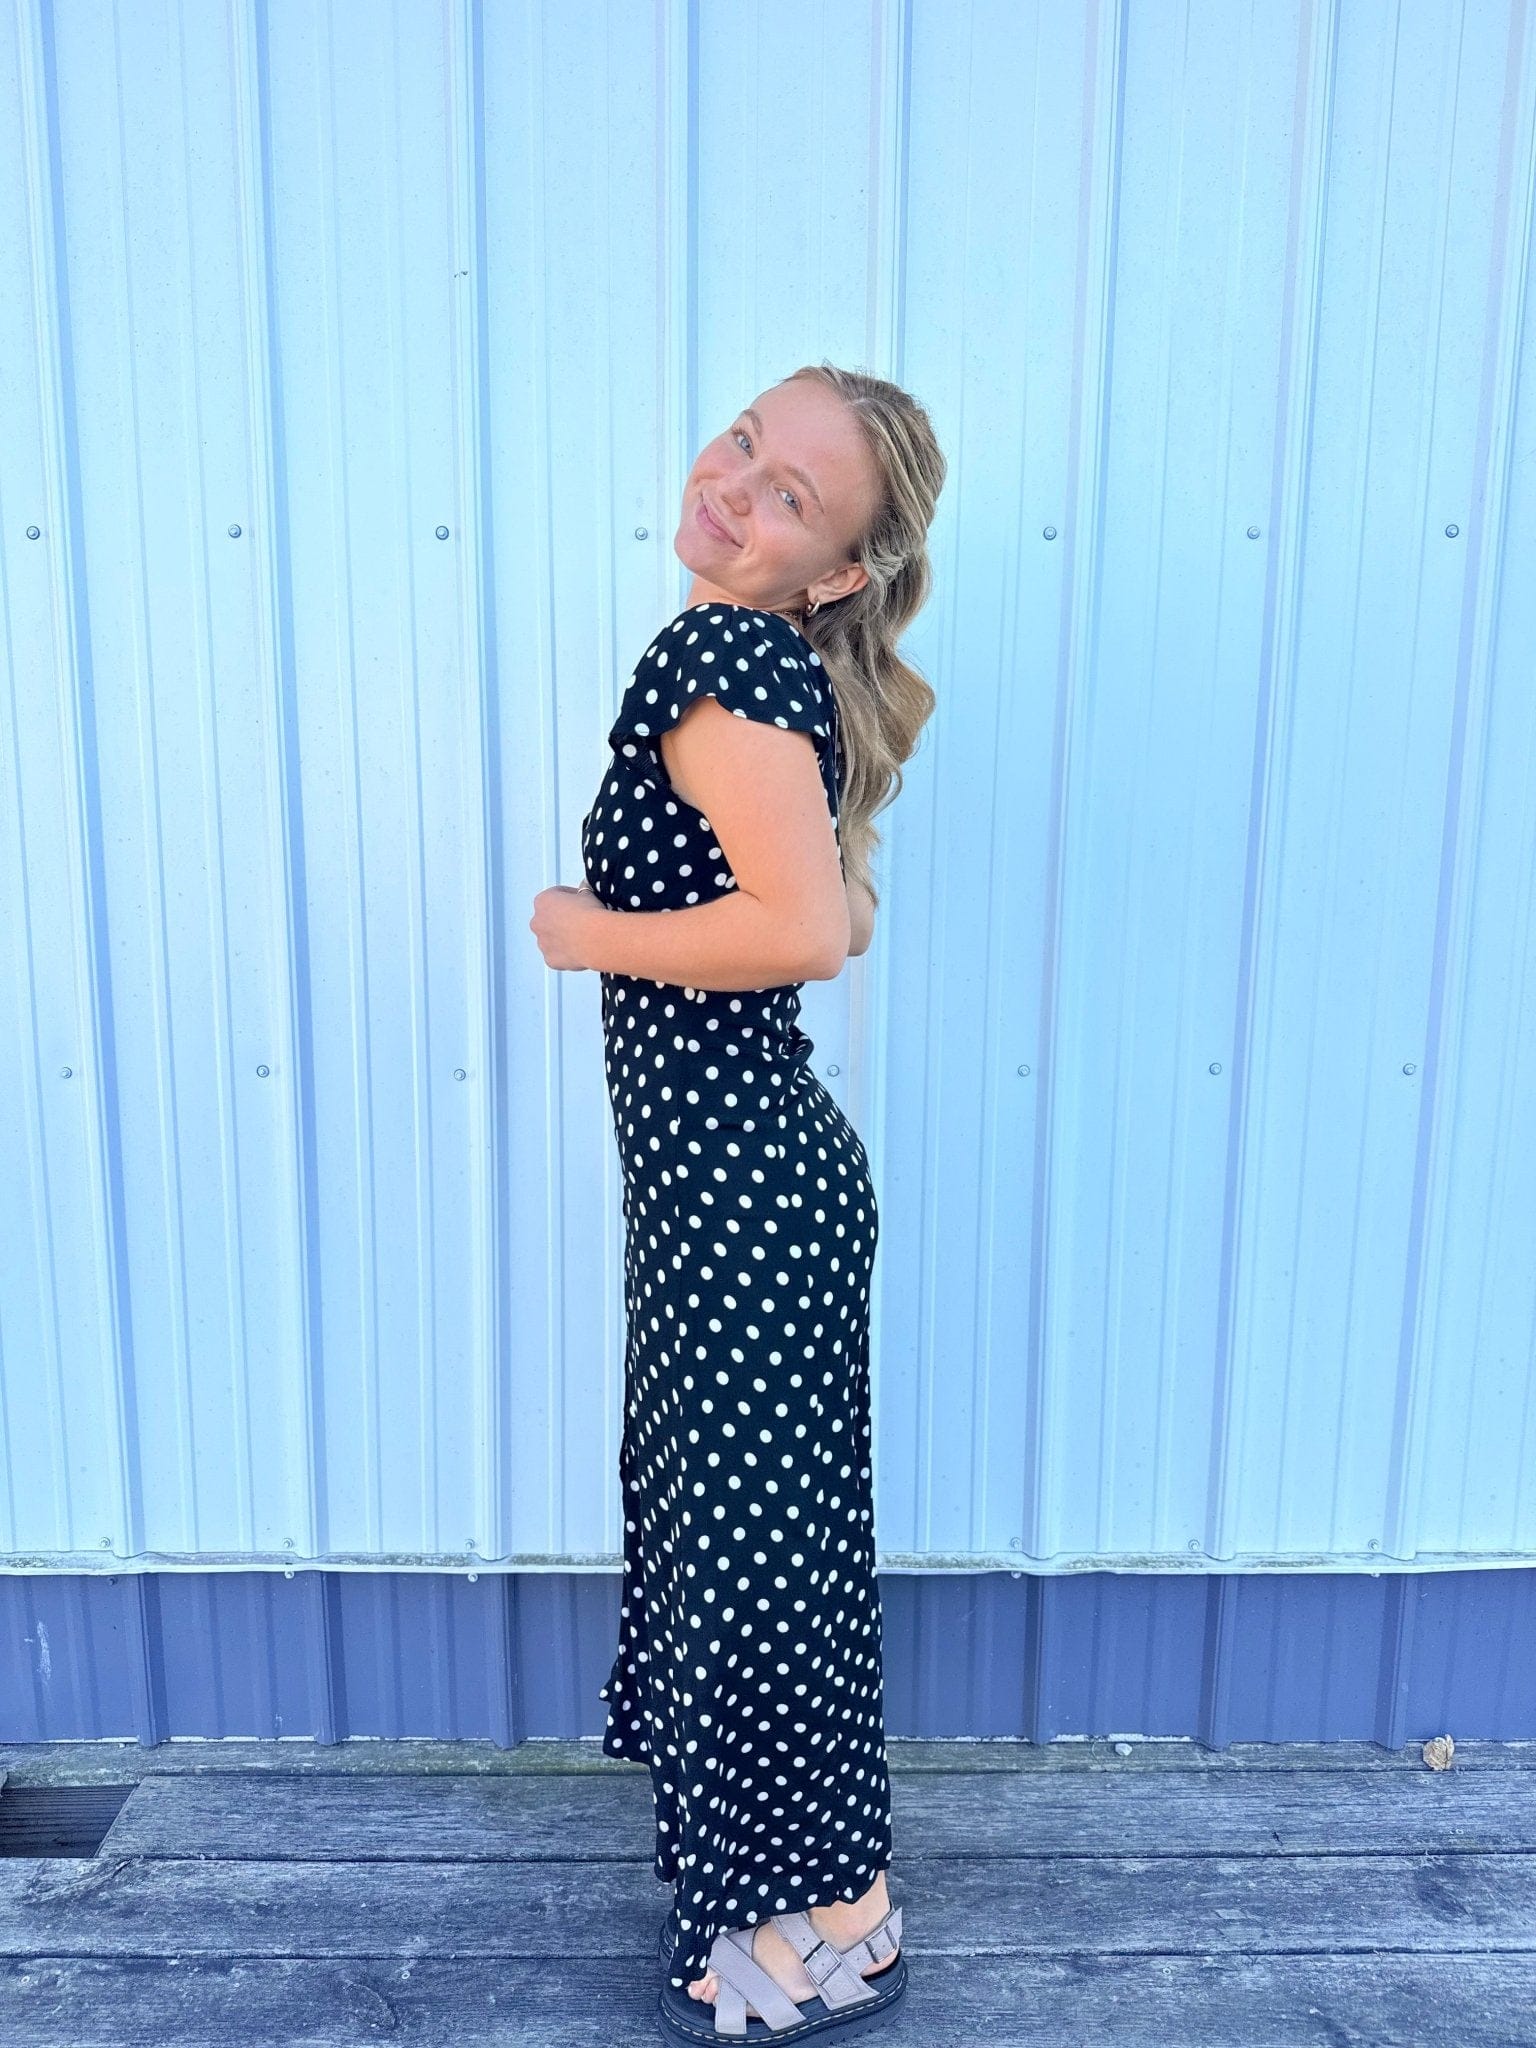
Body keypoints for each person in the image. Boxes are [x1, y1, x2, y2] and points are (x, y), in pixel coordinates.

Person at [531, 361, 946, 2043]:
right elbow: (827, 900)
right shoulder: (755, 661)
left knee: (763, 1565)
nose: (734, 486)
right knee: (771, 1552)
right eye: (748, 444)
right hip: (737, 1195)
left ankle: (820, 1927)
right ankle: (834, 1902)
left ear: (836, 570)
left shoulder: (726, 663)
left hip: (745, 1199)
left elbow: (807, 932)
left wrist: (589, 932)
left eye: (790, 497)